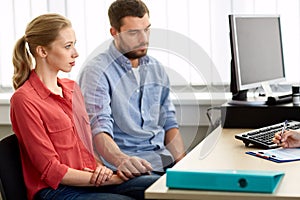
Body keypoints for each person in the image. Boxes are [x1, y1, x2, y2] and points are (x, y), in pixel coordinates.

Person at [10, 13, 158, 200]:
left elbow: (86, 147)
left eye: (74, 44)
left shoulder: (72, 89)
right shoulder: (24, 100)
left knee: (157, 185)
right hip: (57, 190)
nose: (76, 53)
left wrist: (101, 169)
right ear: (42, 51)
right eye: (67, 46)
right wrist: (111, 180)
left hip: (90, 179)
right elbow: (51, 170)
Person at [78, 0, 186, 181]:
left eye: (147, 29)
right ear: (114, 32)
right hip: (123, 169)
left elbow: (169, 122)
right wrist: (123, 161)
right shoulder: (97, 71)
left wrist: (183, 165)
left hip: (161, 162)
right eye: (134, 33)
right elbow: (98, 129)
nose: (144, 39)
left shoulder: (156, 68)